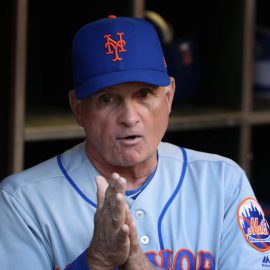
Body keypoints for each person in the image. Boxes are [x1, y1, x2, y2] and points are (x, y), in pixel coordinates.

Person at [0, 15, 270, 270]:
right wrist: (95, 261)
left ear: (168, 96)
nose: (129, 118)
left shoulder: (223, 182)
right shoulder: (22, 201)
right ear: (77, 108)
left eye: (144, 94)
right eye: (107, 99)